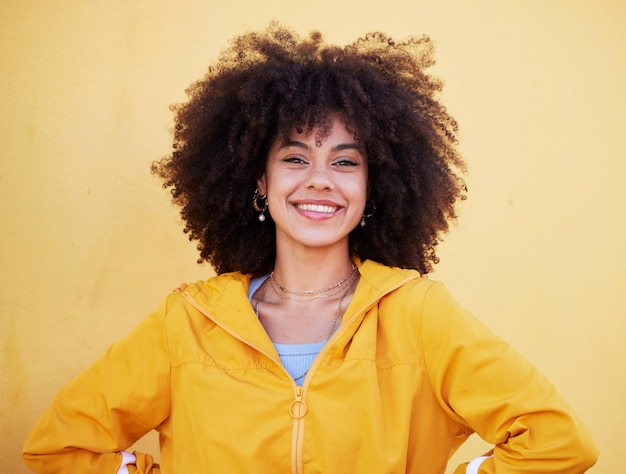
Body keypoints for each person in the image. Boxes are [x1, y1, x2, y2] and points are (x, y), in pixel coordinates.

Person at [22, 23, 598, 473]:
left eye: (345, 161)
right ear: (259, 180)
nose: (320, 179)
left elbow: (555, 443)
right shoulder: (189, 321)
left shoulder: (419, 314)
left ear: (375, 187)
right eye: (296, 158)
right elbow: (59, 449)